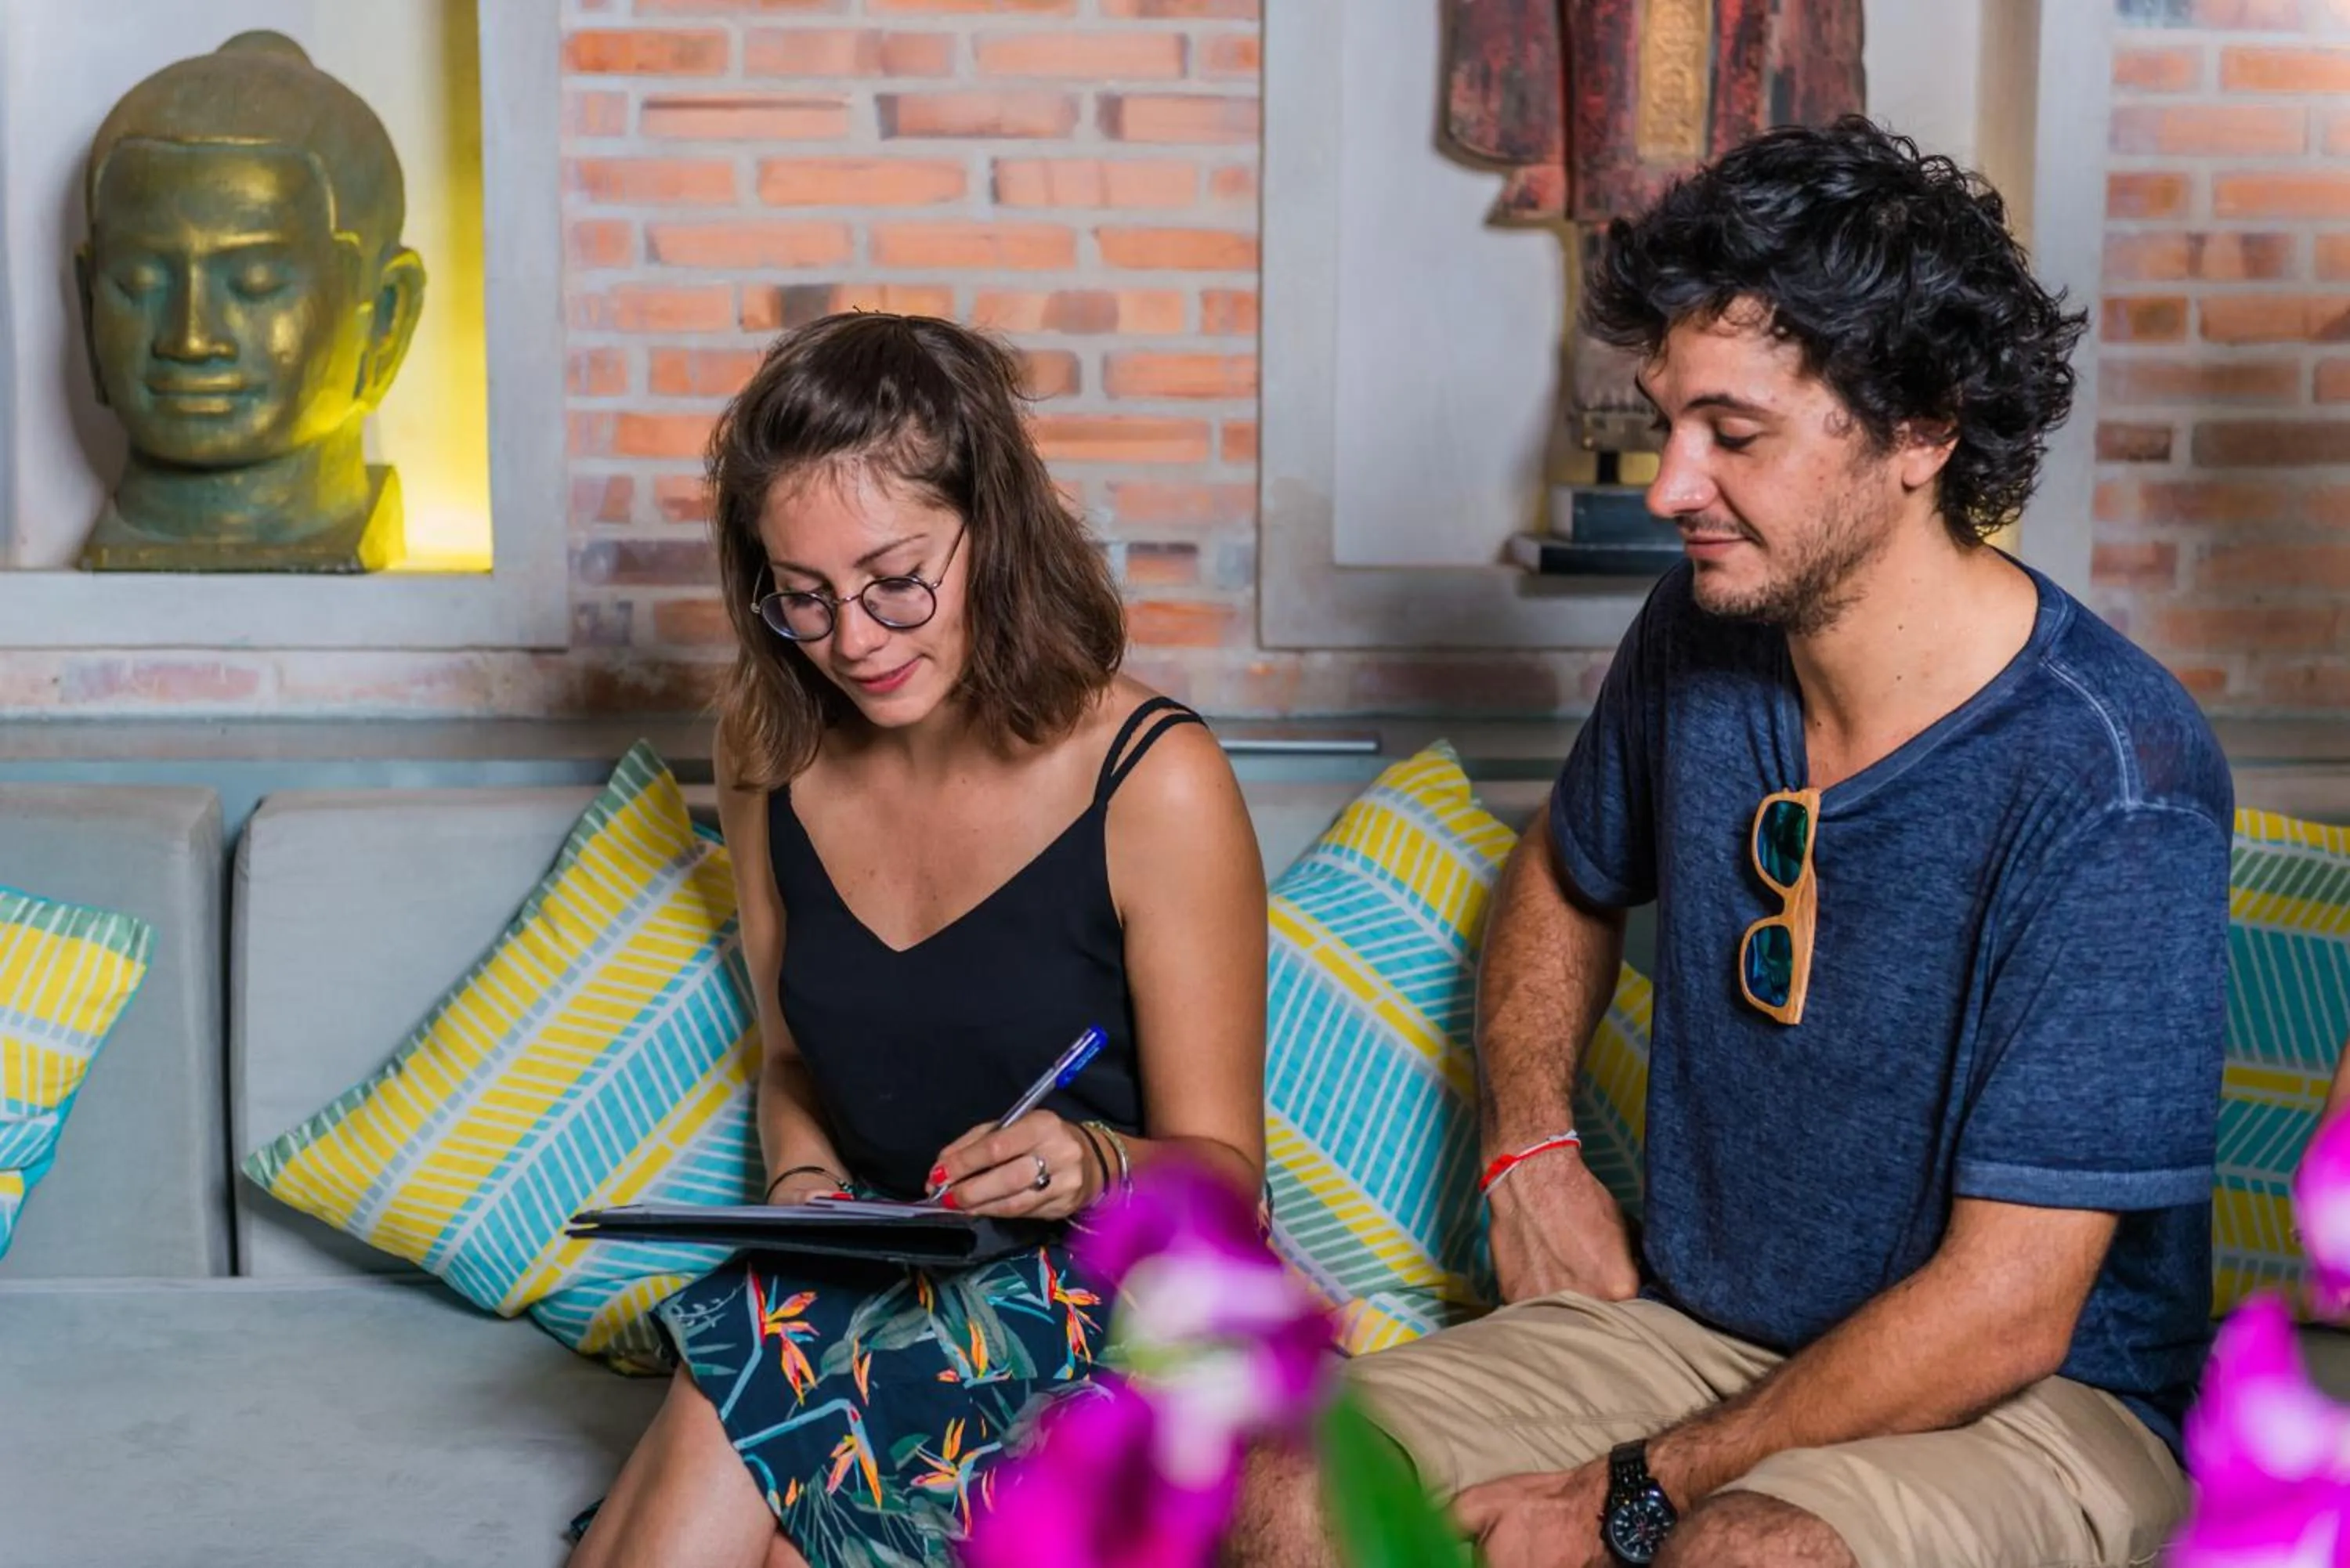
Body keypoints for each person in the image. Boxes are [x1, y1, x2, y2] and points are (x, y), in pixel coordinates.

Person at [1230, 117, 2231, 1568]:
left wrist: (1634, 1488)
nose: (1668, 486)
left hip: (2032, 1401)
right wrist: (1530, 1142)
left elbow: (2011, 1302)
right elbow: (1565, 874)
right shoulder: (1700, 632)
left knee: (1749, 1556)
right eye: (1667, 421)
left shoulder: (2113, 773)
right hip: (1701, 1341)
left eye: (1734, 435)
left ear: (1922, 428)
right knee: (1287, 1482)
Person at [571, 313, 1268, 1568]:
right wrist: (803, 1192)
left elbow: (1228, 1178)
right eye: (804, 596)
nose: (853, 638)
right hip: (877, 1271)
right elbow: (790, 1063)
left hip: (1113, 1291)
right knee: (754, 1358)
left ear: (992, 528)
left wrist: (1087, 1155)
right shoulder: (767, 749)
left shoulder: (1154, 778)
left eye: (896, 580)